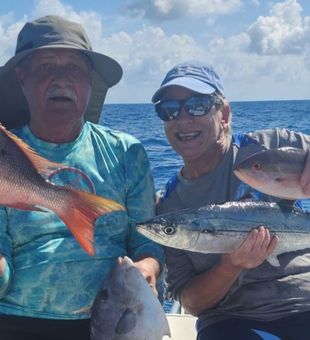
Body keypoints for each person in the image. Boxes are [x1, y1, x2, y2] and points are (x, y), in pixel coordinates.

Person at [0, 15, 164, 340]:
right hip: (18, 320)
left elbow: (147, 241)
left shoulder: (126, 153)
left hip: (119, 316)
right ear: (22, 79)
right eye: (47, 67)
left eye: (74, 68)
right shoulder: (7, 155)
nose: (62, 80)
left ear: (90, 82)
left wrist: (147, 269)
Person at [152, 60, 310, 340]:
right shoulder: (170, 207)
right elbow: (191, 302)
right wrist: (231, 265)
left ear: (223, 113)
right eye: (169, 110)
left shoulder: (268, 148)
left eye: (198, 105)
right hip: (231, 320)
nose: (183, 118)